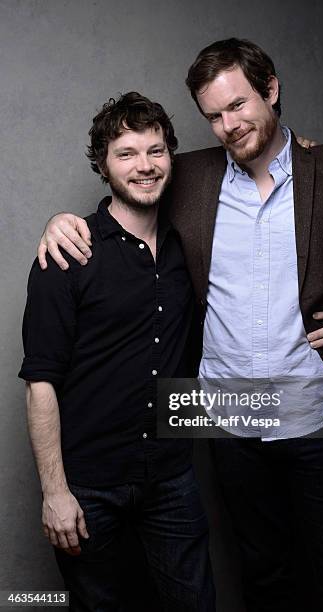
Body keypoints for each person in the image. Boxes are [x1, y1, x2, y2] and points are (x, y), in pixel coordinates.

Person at [35, 38, 323, 610]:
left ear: (271, 90)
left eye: (238, 106)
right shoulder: (190, 177)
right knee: (263, 576)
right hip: (231, 421)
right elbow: (130, 180)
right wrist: (59, 222)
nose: (230, 125)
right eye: (214, 115)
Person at [19, 92, 215, 612]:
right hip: (89, 490)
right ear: (103, 165)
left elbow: (251, 150)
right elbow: (41, 382)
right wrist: (55, 493)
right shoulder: (67, 255)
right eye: (126, 153)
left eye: (156, 150)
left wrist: (303, 150)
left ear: (171, 157)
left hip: (172, 477)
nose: (144, 166)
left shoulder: (189, 248)